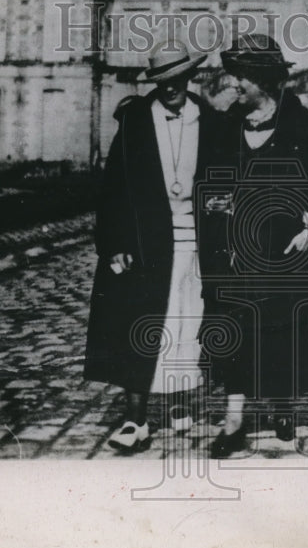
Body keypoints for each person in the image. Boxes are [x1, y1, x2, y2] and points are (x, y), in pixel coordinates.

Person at [197, 34, 308, 458]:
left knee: (284, 333)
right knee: (238, 334)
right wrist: (216, 206)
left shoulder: (302, 127)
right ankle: (234, 422)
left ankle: (284, 408)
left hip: (288, 251)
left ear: (262, 78)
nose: (234, 83)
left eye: (241, 75)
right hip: (237, 253)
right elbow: (207, 183)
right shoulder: (227, 127)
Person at [83, 39, 222, 452]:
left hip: (196, 242)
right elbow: (113, 189)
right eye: (162, 80)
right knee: (142, 326)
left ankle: (179, 404)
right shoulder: (136, 122)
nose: (170, 87)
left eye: (176, 77)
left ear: (189, 76)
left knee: (186, 323)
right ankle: (135, 421)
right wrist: (114, 244)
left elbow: (225, 177)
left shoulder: (210, 121)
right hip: (147, 244)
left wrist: (219, 198)